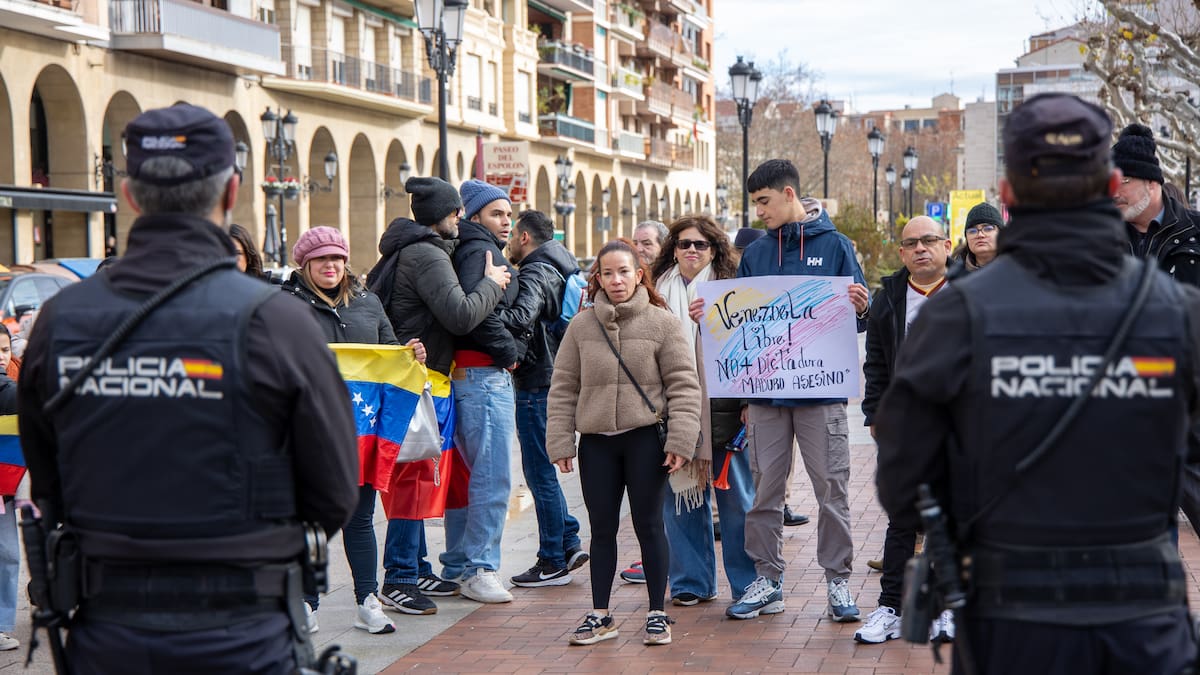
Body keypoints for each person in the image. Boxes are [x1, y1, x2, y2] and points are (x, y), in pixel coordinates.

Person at [17, 103, 359, 673]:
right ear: (232, 191)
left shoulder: (61, 319)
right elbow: (334, 491)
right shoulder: (279, 322)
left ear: (129, 195)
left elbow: (47, 474)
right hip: (245, 632)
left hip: (109, 630)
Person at [876, 93, 1200, 674]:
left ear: (1007, 197)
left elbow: (902, 482)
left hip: (1013, 617)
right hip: (1142, 614)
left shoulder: (956, 316)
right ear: (1107, 188)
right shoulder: (1174, 312)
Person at [690, 158, 869, 621]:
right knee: (765, 492)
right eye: (754, 204)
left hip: (820, 395)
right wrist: (711, 320)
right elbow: (743, 325)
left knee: (832, 490)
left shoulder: (837, 247)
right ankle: (766, 581)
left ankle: (838, 584)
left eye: (764, 202)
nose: (759, 213)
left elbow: (859, 317)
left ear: (789, 195)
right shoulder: (757, 253)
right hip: (767, 398)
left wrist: (861, 307)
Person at [547, 238, 701, 646]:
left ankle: (656, 613)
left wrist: (682, 439)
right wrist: (561, 441)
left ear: (639, 275)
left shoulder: (661, 322)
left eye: (624, 272)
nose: (616, 280)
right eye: (607, 273)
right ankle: (600, 614)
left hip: (645, 440)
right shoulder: (581, 326)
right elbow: (563, 386)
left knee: (649, 525)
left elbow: (684, 386)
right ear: (597, 278)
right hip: (598, 443)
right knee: (601, 529)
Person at [374, 176, 510, 615]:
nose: (459, 218)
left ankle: (414, 566)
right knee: (412, 479)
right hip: (418, 381)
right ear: (445, 216)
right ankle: (399, 576)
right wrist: (493, 282)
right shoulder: (427, 254)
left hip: (415, 378)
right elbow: (461, 315)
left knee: (413, 476)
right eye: (455, 212)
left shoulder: (409, 249)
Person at [283, 226, 415, 635]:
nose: (331, 265)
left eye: (337, 258)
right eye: (321, 258)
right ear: (304, 264)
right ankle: (307, 604)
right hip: (308, 434)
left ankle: (367, 600)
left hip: (362, 434)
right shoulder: (285, 308)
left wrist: (410, 355)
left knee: (360, 520)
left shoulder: (368, 304)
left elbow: (390, 356)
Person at [854, 216, 953, 645]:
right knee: (902, 520)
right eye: (911, 243)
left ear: (947, 245)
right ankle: (890, 608)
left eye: (928, 241)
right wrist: (875, 413)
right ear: (901, 253)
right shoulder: (890, 297)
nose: (920, 249)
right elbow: (875, 362)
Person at [650, 215, 756, 608]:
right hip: (673, 410)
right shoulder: (654, 292)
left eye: (700, 244)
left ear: (715, 249)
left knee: (736, 503)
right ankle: (691, 582)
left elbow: (753, 349)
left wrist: (747, 403)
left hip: (725, 409)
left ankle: (748, 585)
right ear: (672, 249)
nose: (691, 250)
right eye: (682, 244)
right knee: (681, 500)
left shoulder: (732, 290)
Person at [440, 179, 530, 604]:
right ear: (473, 215)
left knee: (468, 476)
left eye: (509, 214)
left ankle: (459, 563)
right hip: (483, 376)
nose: (506, 221)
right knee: (493, 476)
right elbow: (482, 314)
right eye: (497, 213)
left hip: (466, 376)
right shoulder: (483, 252)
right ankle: (480, 567)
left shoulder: (466, 249)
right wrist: (510, 352)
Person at [504, 210, 590, 588]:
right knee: (543, 469)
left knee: (539, 472)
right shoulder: (561, 265)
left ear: (524, 237)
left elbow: (522, 317)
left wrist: (490, 299)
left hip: (538, 379)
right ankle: (569, 541)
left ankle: (551, 558)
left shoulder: (536, 270)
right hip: (553, 376)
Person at [733, 226, 810, 529]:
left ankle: (781, 503)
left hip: (788, 377)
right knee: (759, 459)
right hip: (756, 387)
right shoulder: (735, 282)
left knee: (775, 457)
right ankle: (766, 506)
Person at [1113, 123, 1200, 285]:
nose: (1114, 193)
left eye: (1124, 181)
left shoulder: (1195, 230)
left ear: (1152, 184)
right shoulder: (1100, 236)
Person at [0, 325, 19, 652]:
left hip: (5, 486)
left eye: (4, 349)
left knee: (9, 554)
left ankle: (1, 625)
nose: (0, 357)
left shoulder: (16, 374)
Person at [949, 203, 1003, 274]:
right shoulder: (954, 274)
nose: (980, 235)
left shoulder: (1018, 269)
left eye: (988, 229)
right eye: (972, 231)